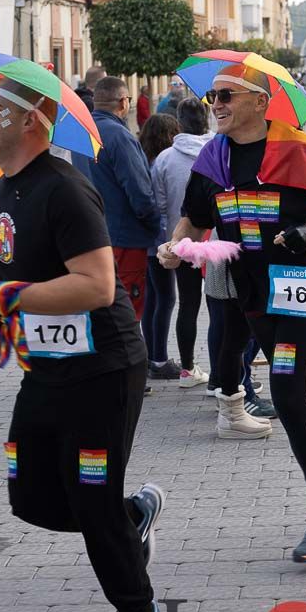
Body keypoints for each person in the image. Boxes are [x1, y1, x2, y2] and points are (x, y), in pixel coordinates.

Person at [0, 75, 167, 612]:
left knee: (91, 494)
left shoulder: (65, 189)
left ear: (30, 121)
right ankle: (133, 519)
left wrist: (5, 300)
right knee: (29, 494)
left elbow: (98, 286)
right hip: (47, 369)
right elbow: (28, 272)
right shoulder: (7, 190)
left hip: (104, 372)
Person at [160, 63, 306, 563]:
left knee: (287, 390)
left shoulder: (303, 152)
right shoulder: (211, 160)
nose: (216, 105)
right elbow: (196, 217)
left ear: (260, 102)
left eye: (226, 96)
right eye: (212, 97)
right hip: (253, 293)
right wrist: (175, 244)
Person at [74, 77, 162, 329]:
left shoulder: (83, 133)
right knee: (127, 313)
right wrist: (156, 228)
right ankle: (128, 366)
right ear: (123, 102)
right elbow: (140, 193)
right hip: (125, 239)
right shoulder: (120, 136)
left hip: (94, 237)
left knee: (102, 310)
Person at [149, 98, 211, 387]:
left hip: (182, 241)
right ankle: (228, 376)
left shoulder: (164, 159)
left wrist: (168, 241)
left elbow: (159, 205)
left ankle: (187, 369)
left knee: (187, 303)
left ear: (179, 123)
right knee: (222, 309)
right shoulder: (220, 151)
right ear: (206, 120)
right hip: (218, 243)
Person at [137, 113, 183, 381]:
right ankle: (159, 359)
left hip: (148, 240)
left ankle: (154, 355)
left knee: (154, 297)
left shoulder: (145, 159)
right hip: (160, 240)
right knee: (166, 298)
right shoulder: (163, 162)